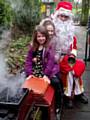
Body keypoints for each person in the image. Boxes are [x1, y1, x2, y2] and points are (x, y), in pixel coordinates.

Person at [52, 1, 88, 108]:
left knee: (74, 68)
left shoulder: (71, 34)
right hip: (55, 59)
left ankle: (75, 94)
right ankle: (72, 95)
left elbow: (74, 47)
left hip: (68, 57)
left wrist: (72, 56)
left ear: (69, 18)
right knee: (70, 71)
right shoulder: (52, 31)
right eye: (61, 15)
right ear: (57, 15)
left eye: (66, 17)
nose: (63, 18)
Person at [24, 25, 61, 112]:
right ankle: (29, 103)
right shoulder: (32, 47)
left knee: (56, 82)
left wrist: (46, 75)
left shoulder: (49, 47)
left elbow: (50, 62)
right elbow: (28, 61)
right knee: (23, 78)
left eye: (43, 36)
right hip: (36, 70)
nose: (41, 38)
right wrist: (29, 74)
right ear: (35, 37)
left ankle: (58, 104)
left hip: (47, 70)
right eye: (39, 36)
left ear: (46, 36)